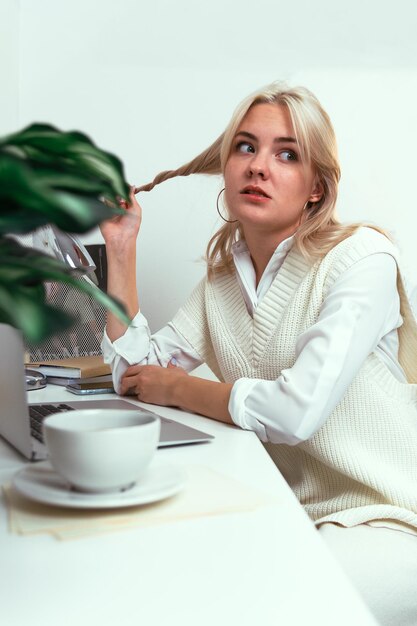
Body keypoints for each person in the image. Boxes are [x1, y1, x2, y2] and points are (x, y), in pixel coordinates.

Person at [100, 82, 417, 625]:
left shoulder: (362, 261)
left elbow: (294, 412)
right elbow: (134, 374)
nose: (258, 166)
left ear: (316, 187)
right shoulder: (224, 283)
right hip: (285, 515)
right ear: (226, 168)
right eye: (245, 147)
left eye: (286, 154)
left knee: (270, 609)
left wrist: (180, 387)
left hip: (385, 520)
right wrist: (122, 251)